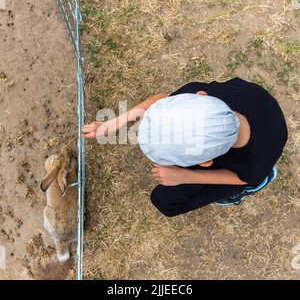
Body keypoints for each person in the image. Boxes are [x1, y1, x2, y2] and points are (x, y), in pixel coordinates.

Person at [82, 77, 288, 217]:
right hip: (244, 123)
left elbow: (243, 176)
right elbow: (163, 99)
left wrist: (185, 176)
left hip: (247, 168)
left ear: (206, 162)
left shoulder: (255, 165)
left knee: (166, 202)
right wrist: (114, 122)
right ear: (201, 96)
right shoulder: (204, 101)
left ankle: (259, 183)